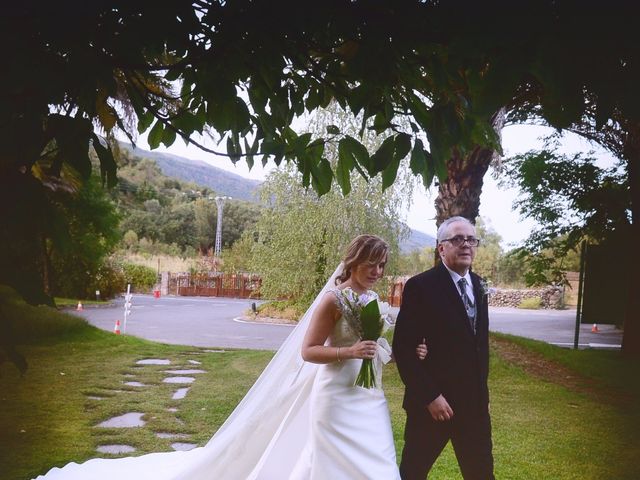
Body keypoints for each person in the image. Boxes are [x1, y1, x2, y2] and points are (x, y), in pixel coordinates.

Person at [36, 234, 424, 480]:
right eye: (371, 263)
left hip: (366, 397)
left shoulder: (372, 299)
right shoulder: (332, 300)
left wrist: (402, 350)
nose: (377, 271)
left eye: (383, 265)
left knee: (378, 465)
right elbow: (308, 351)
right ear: (353, 261)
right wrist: (349, 351)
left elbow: (375, 345)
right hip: (335, 395)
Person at [392, 216, 495, 480]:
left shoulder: (480, 285)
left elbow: (477, 348)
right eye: (458, 239)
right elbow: (404, 349)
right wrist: (430, 397)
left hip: (473, 407)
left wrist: (482, 396)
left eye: (471, 239)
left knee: (481, 473)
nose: (466, 245)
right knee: (413, 473)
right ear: (441, 248)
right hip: (433, 407)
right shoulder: (421, 286)